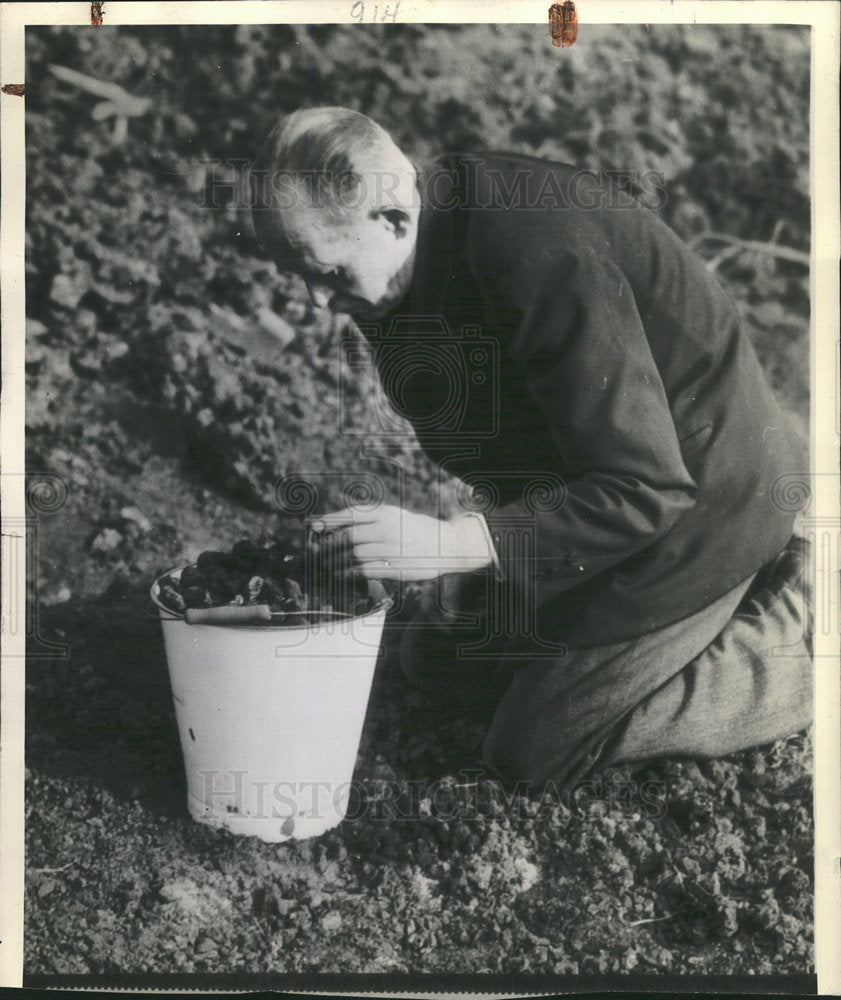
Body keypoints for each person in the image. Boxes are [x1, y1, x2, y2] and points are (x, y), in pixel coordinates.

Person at [250, 106, 812, 789]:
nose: (313, 302)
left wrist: (454, 545)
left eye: (327, 272)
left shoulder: (529, 252)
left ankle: (797, 630)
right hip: (602, 495)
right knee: (433, 661)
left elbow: (646, 488)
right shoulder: (404, 262)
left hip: (707, 501)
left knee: (536, 748)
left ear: (393, 219)